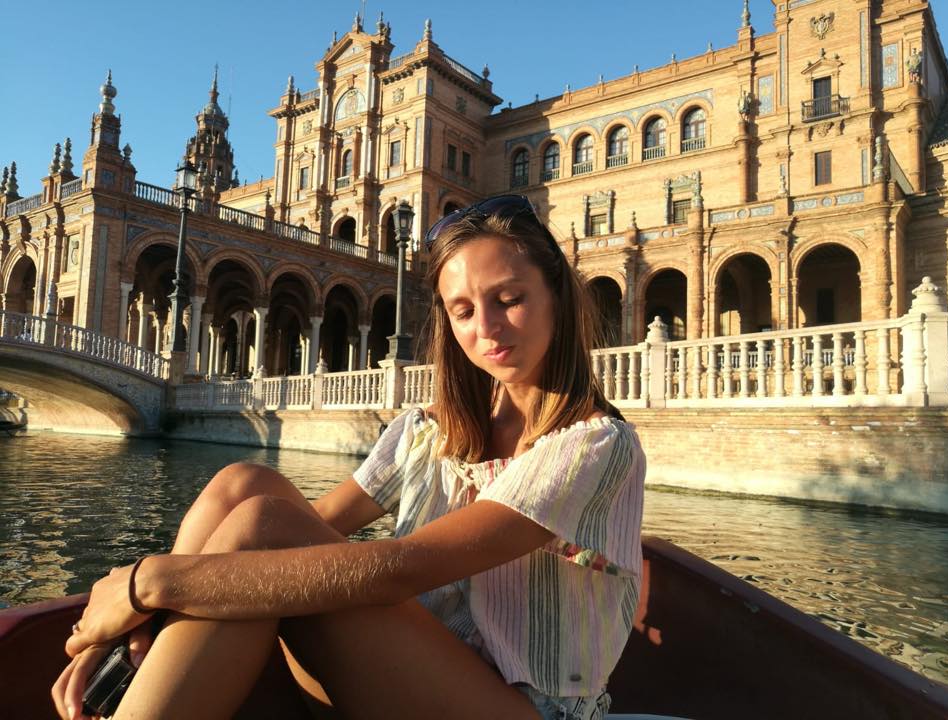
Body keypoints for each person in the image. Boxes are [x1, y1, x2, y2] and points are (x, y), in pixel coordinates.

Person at [52, 194, 646, 720]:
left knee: (266, 525)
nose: (486, 328)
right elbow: (317, 521)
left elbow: (402, 568)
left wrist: (147, 582)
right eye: (463, 310)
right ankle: (134, 662)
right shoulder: (425, 431)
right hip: (400, 673)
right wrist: (137, 618)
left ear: (558, 297)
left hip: (520, 705)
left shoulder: (593, 445)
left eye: (509, 299)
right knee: (243, 483)